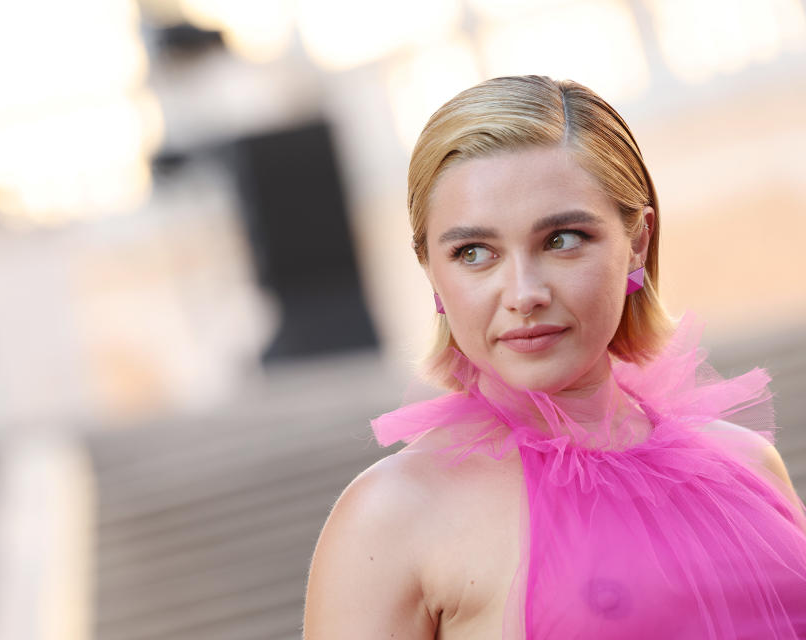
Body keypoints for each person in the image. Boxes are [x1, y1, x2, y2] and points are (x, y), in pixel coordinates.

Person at [302, 75, 806, 639]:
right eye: (474, 253)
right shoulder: (391, 517)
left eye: (562, 239)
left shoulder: (749, 463)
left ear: (637, 240)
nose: (523, 294)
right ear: (431, 271)